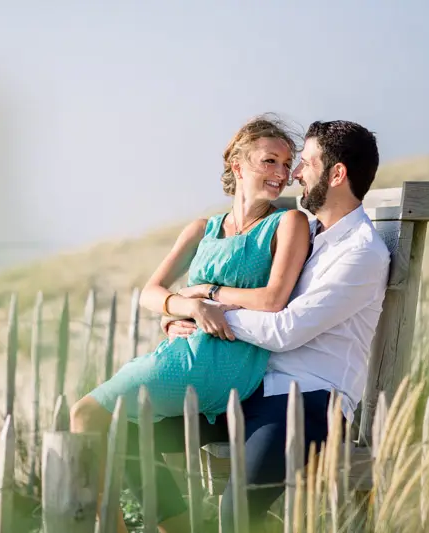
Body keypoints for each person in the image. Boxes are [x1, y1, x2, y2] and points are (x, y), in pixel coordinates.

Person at [128, 119, 391, 533]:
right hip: (249, 384)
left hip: (308, 400)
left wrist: (207, 307)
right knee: (129, 430)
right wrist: (183, 315)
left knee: (237, 511)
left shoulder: (360, 253)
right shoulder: (312, 235)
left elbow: (285, 328)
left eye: (306, 163)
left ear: (337, 174)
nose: (294, 174)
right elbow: (250, 288)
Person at [70, 113, 312, 532]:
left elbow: (273, 300)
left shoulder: (288, 223)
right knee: (118, 432)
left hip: (225, 363)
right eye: (269, 161)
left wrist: (207, 295)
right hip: (183, 348)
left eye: (286, 164)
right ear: (238, 165)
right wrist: (186, 308)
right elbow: (149, 292)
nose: (281, 173)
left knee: (87, 414)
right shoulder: (203, 228)